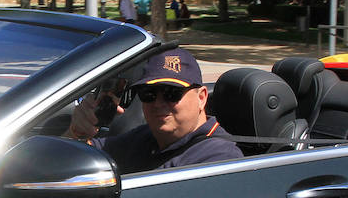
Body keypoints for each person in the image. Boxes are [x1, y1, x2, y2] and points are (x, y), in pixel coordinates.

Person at [67, 48, 240, 173]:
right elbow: (80, 156)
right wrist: (77, 132)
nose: (157, 103)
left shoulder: (219, 157)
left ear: (201, 98)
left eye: (171, 93)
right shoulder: (145, 137)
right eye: (148, 94)